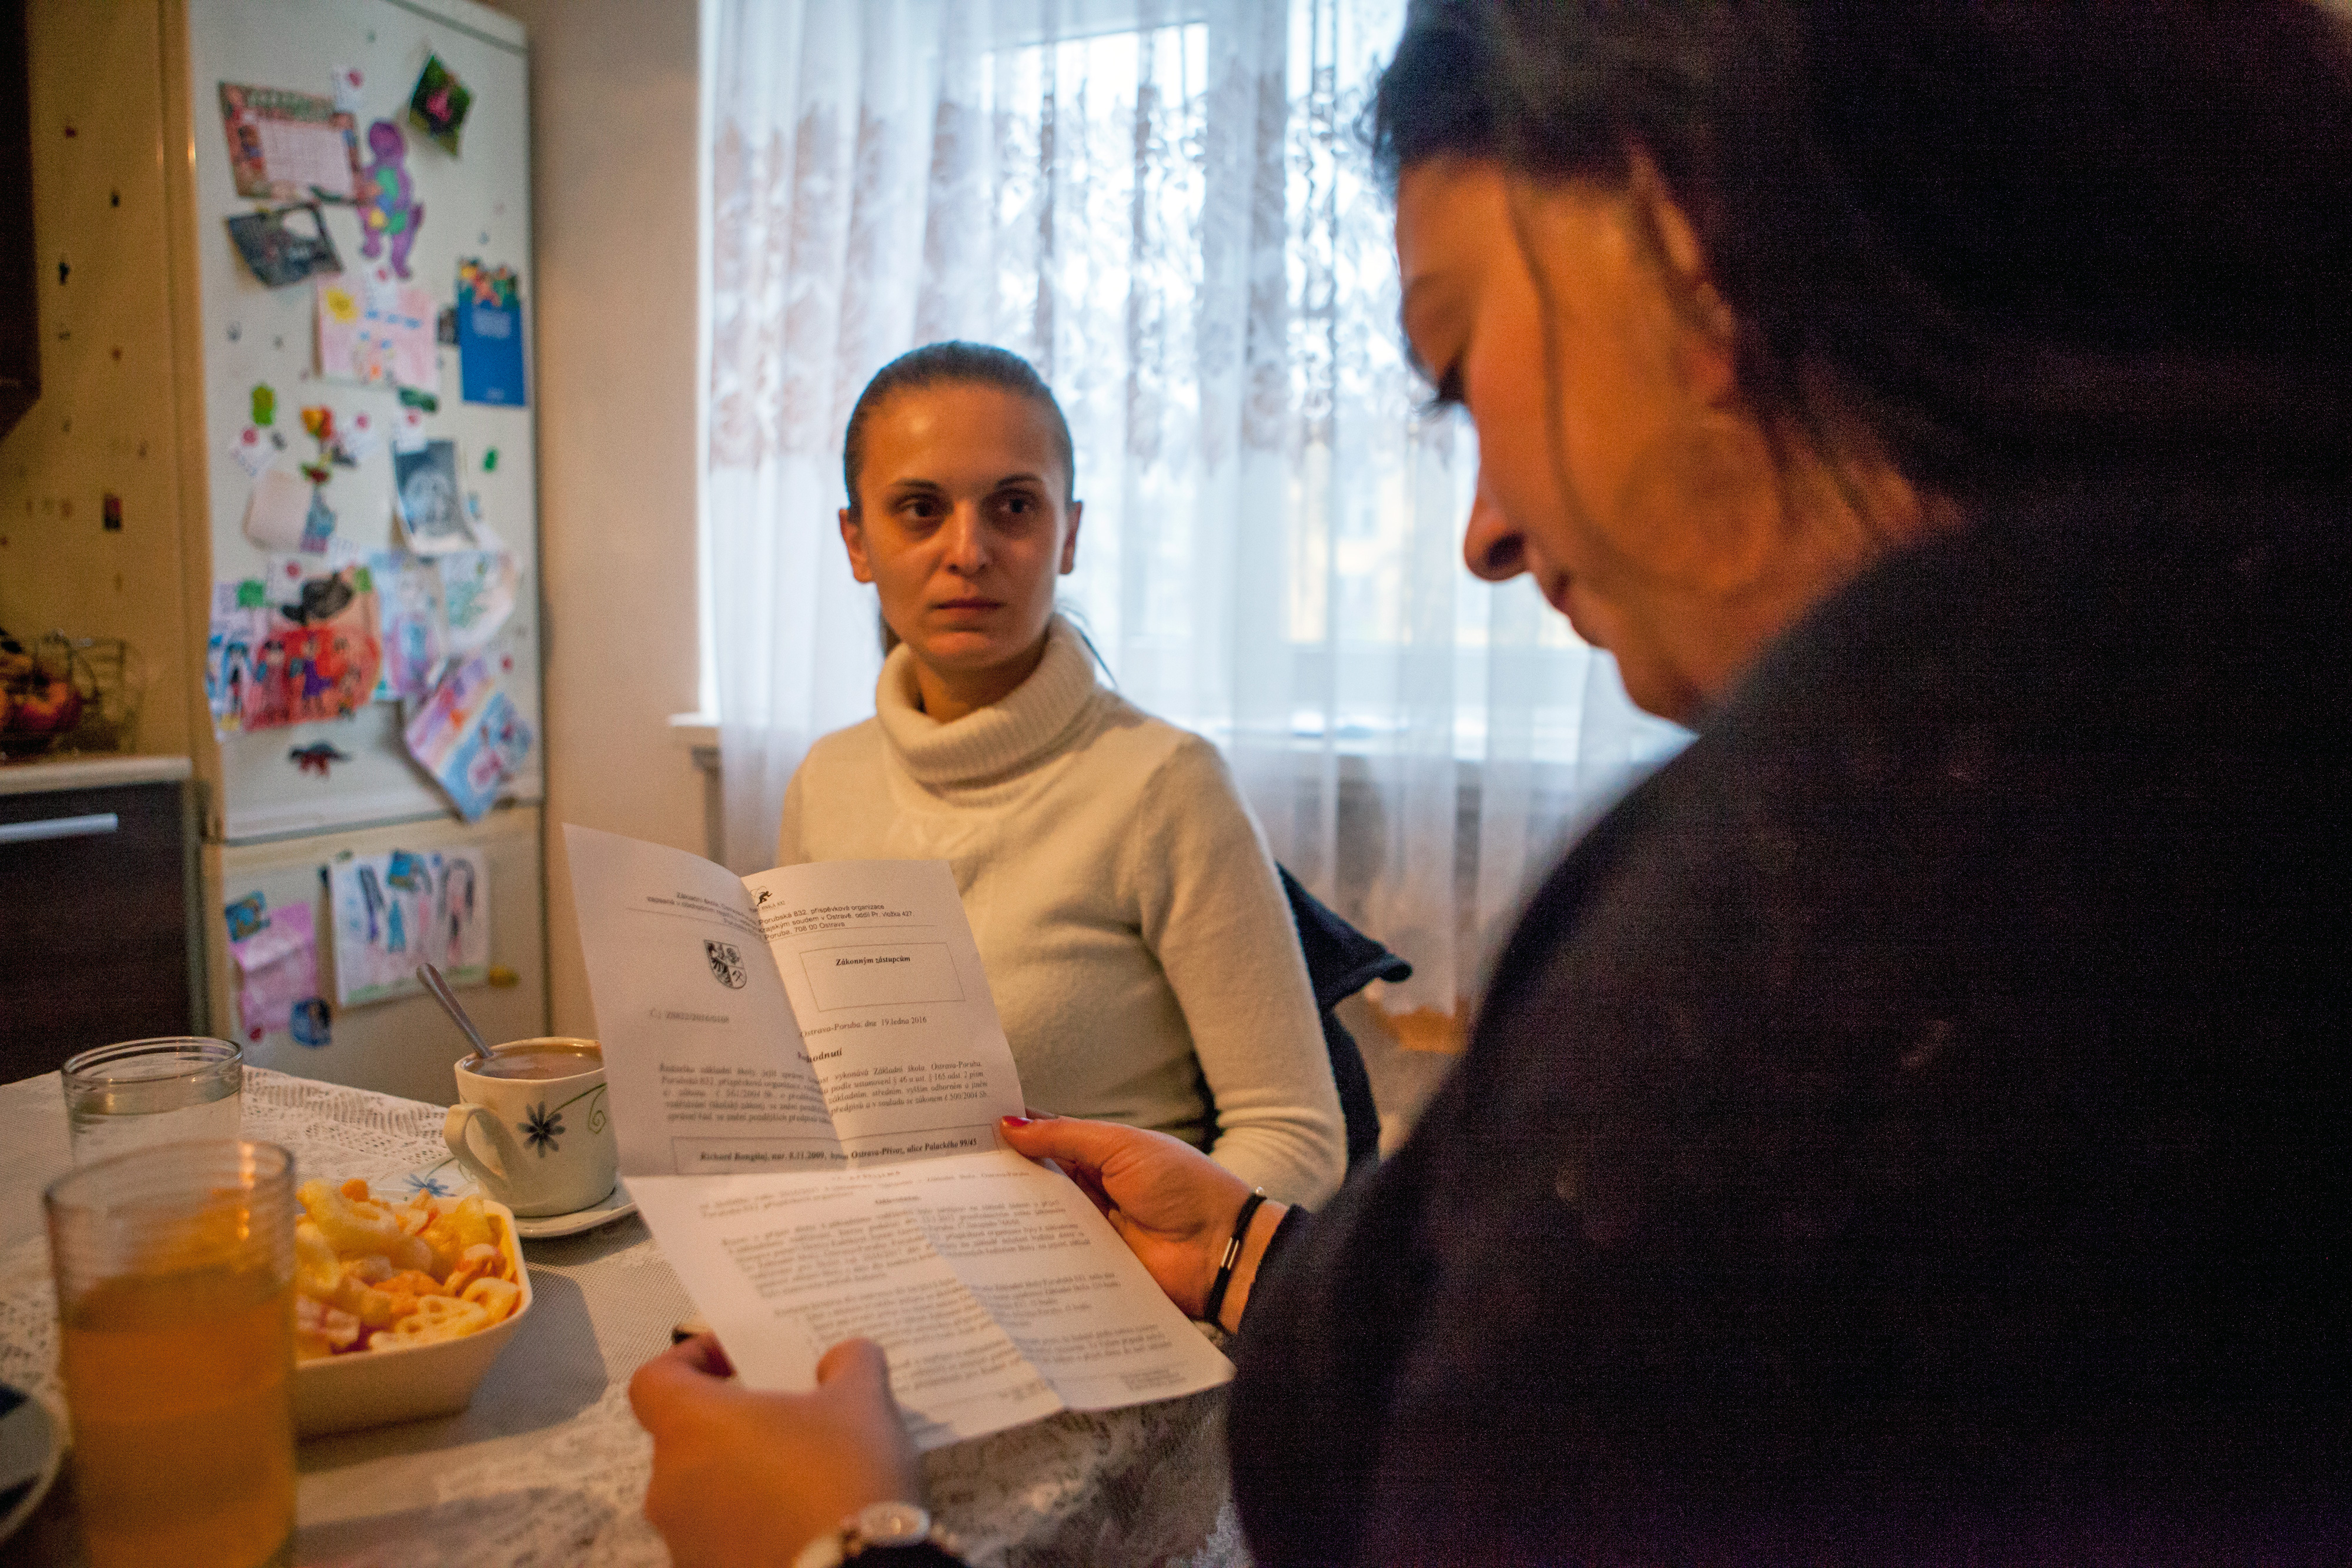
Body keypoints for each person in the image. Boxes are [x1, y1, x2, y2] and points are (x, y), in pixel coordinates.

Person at [632, 4, 2352, 1563]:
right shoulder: (2178, 756)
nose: (1485, 533)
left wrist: (836, 1551)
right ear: (851, 543)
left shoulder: (1833, 907)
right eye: (917, 513)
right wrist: (1248, 1257)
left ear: (1697, 251)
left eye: (1457, 371)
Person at [772, 342, 1347, 1208]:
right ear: (857, 541)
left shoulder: (1166, 785)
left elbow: (1295, 1135)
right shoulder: (826, 781)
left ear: (1067, 534)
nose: (968, 551)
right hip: (884, 1268)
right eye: (920, 510)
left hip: (1119, 1300)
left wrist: (1134, 1260)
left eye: (1012, 506)